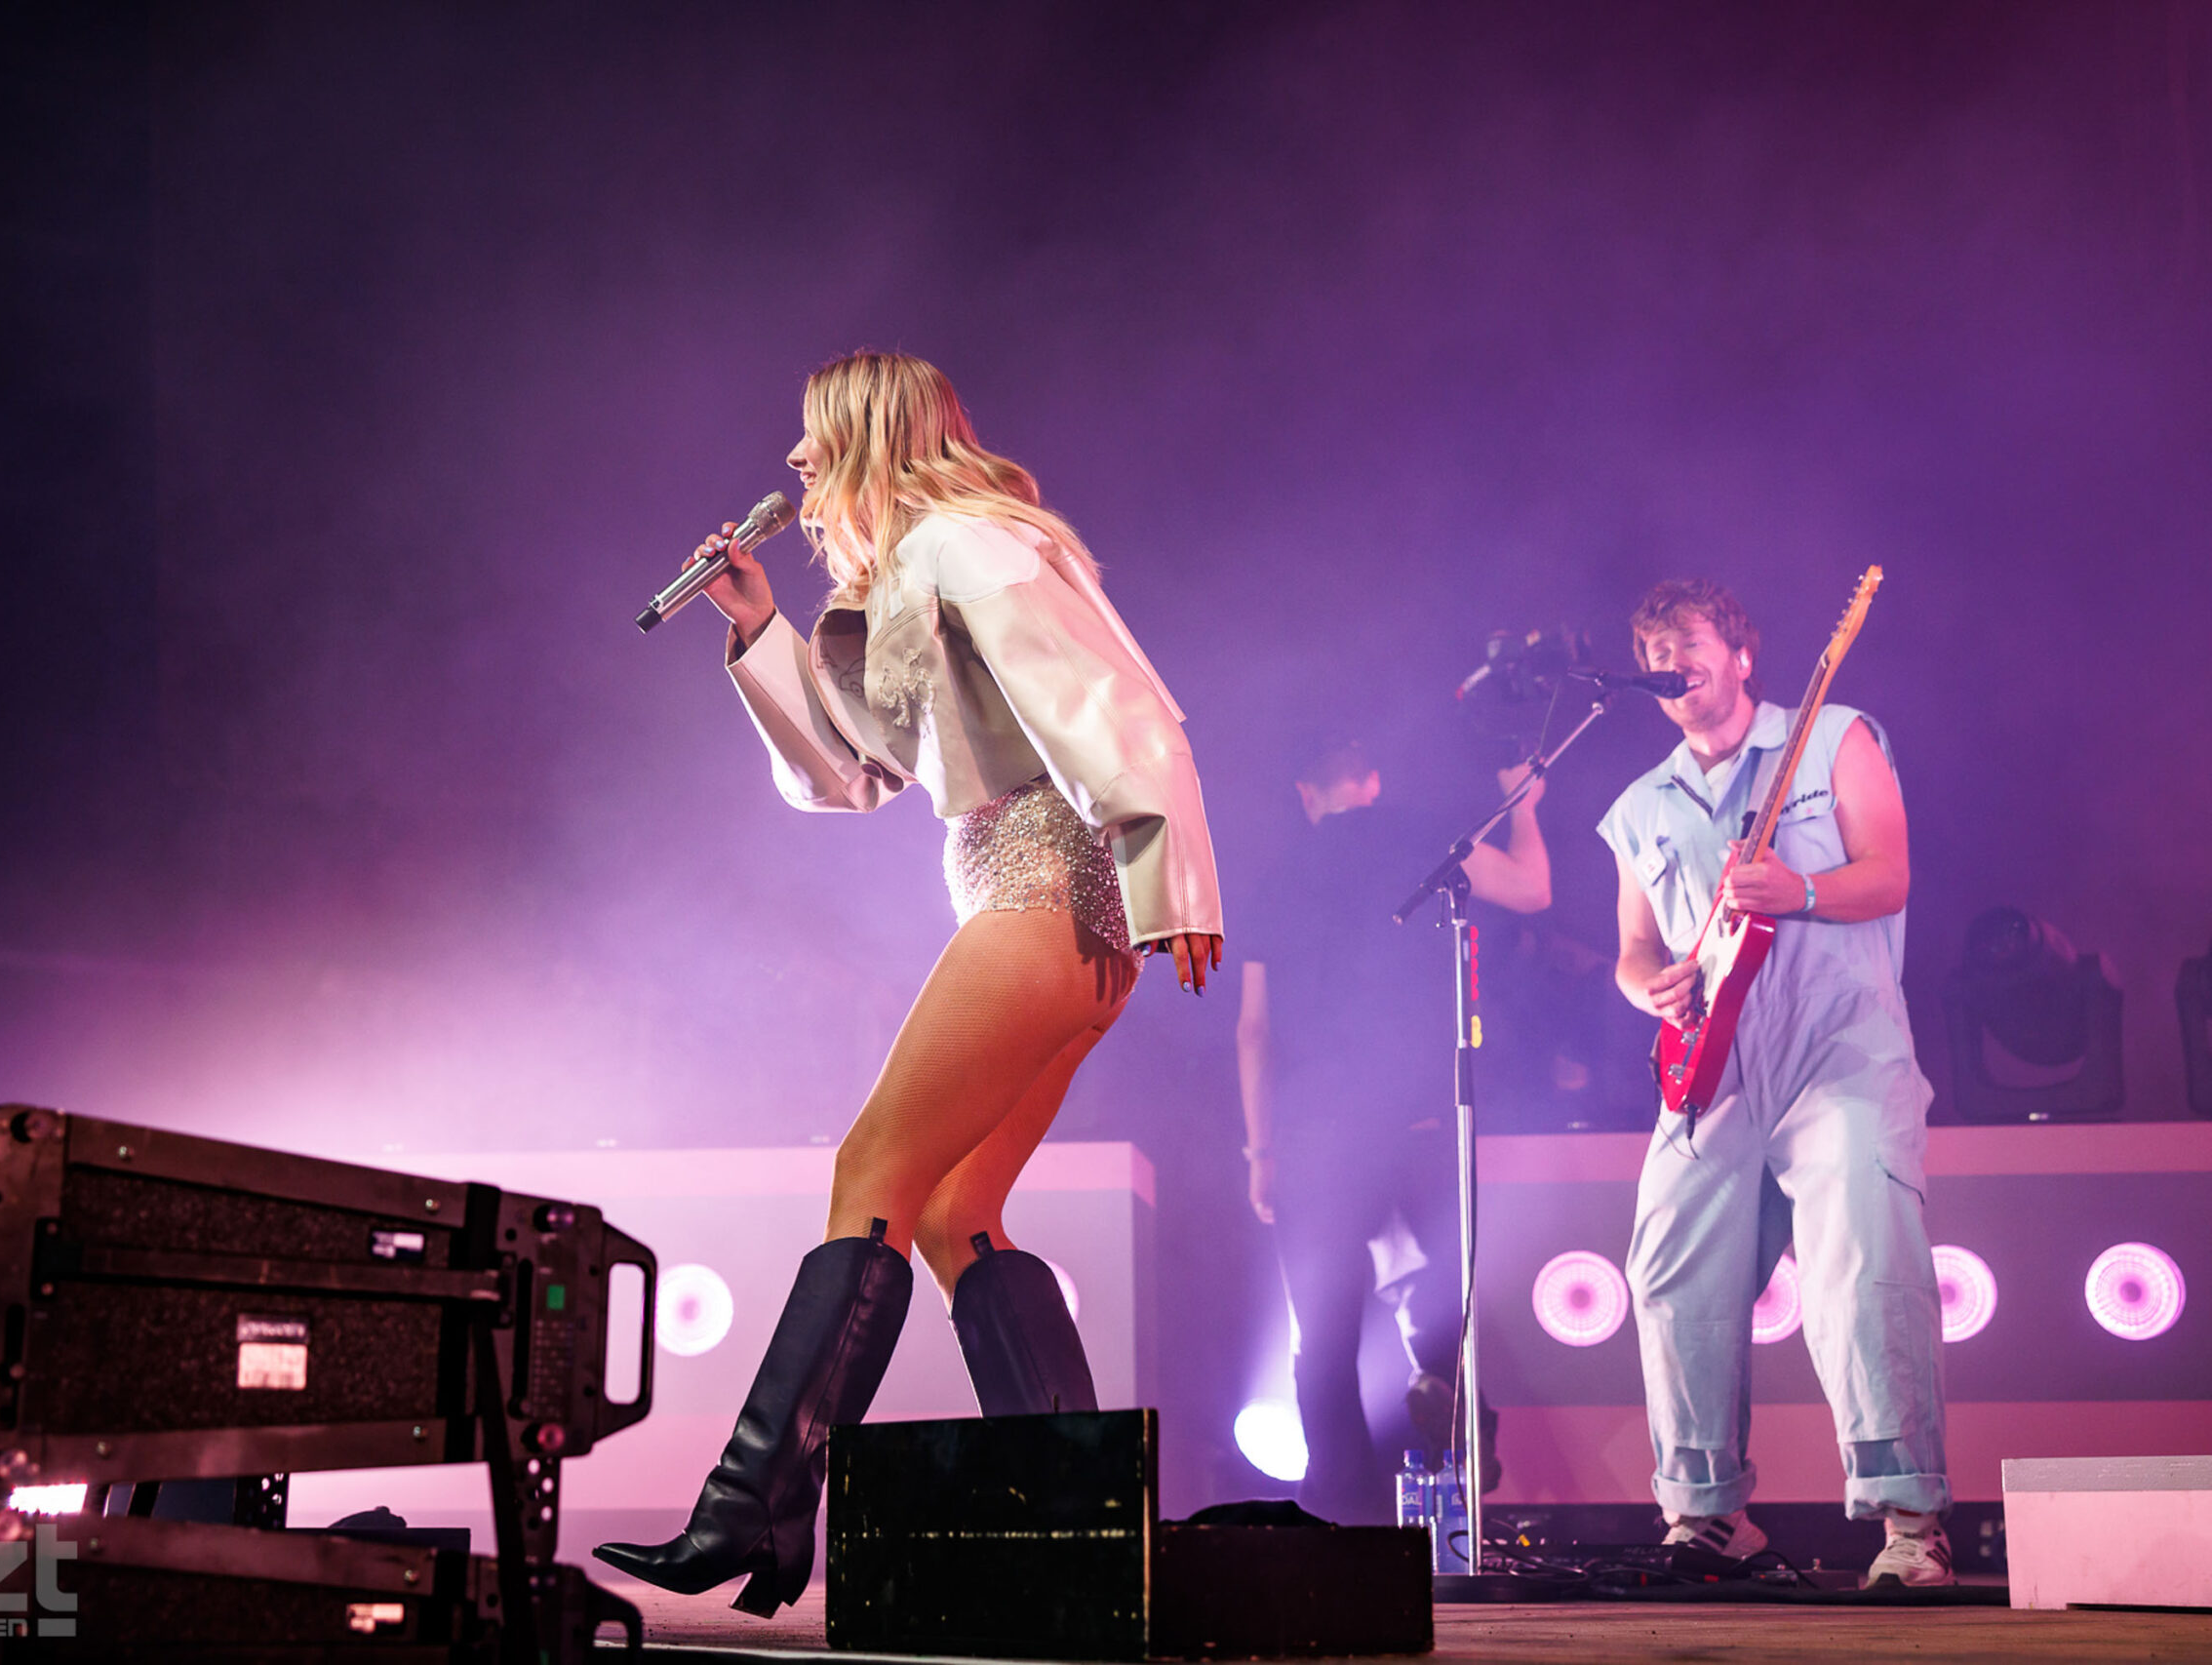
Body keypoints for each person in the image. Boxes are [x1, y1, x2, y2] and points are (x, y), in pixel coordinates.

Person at [595, 353, 1222, 1615]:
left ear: (870, 436)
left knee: (869, 1167)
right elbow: (851, 776)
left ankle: (755, 1510)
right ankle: (1079, 1513)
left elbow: (1109, 699)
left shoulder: (971, 539)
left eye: (814, 441)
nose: (797, 468)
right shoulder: (909, 573)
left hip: (1048, 880)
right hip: (1037, 897)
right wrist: (759, 630)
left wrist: (1173, 870)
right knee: (951, 1208)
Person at [1598, 578, 1951, 1587]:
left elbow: (1889, 873)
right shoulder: (1639, 806)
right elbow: (1631, 947)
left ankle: (1907, 1520)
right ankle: (1708, 1516)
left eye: (1688, 639)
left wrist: (1795, 888)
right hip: (1712, 1074)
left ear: (1740, 654)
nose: (1671, 659)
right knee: (1669, 1275)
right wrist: (1647, 992)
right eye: (1653, 647)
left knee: (1860, 1273)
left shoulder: (1832, 736)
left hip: (1836, 1051)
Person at [1235, 738, 1549, 1522]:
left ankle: (1338, 1508)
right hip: (1419, 1115)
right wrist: (1529, 813)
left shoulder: (1277, 875)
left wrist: (1260, 1149)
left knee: (1325, 1334)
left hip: (1315, 1129)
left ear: (1308, 792)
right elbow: (1534, 891)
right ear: (1371, 781)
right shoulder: (1428, 840)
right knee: (1434, 1299)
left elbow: (1253, 1031)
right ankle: (1458, 1453)